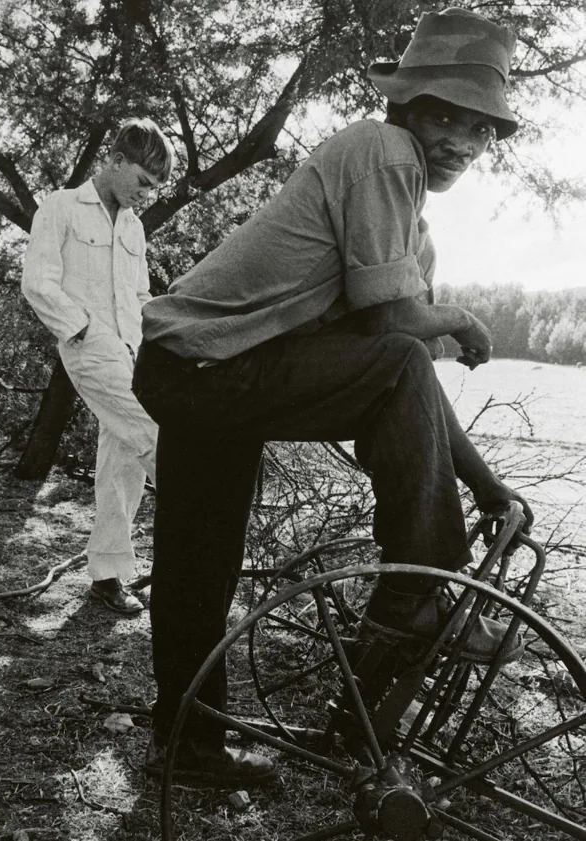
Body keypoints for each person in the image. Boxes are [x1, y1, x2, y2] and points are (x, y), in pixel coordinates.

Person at [132, 8, 534, 785]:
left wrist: (481, 480)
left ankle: (187, 745)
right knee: (200, 554)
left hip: (210, 369)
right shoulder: (381, 152)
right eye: (440, 114)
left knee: (199, 561)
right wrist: (461, 317)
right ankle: (420, 592)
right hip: (202, 365)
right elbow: (395, 334)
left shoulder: (411, 233)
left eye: (478, 127)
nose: (458, 139)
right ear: (403, 107)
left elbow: (402, 375)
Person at [22, 118, 175, 615]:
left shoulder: (133, 227)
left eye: (155, 189)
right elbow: (38, 282)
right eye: (143, 182)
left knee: (122, 461)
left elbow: (138, 294)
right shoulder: (61, 206)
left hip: (134, 352)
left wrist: (157, 340)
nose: (146, 195)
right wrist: (82, 330)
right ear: (116, 161)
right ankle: (202, 529)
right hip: (87, 348)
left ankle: (107, 577)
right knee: (155, 433)